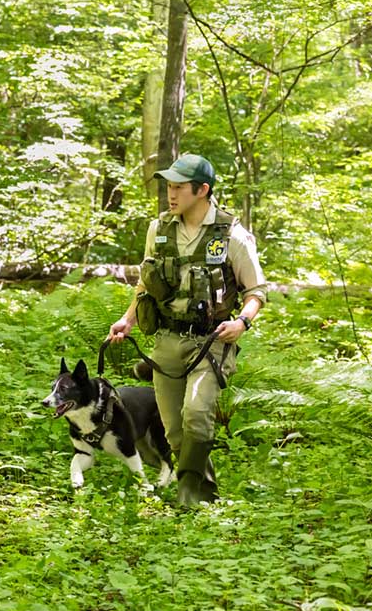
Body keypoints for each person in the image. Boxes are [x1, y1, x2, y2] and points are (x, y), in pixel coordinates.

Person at [108, 154, 267, 505]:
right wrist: (127, 320)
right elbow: (146, 286)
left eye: (179, 187)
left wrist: (242, 322)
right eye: (169, 187)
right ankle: (203, 496)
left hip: (210, 341)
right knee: (176, 434)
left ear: (202, 190)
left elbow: (256, 292)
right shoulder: (159, 229)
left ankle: (190, 501)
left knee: (196, 416)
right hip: (166, 339)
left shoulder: (232, 236)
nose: (171, 194)